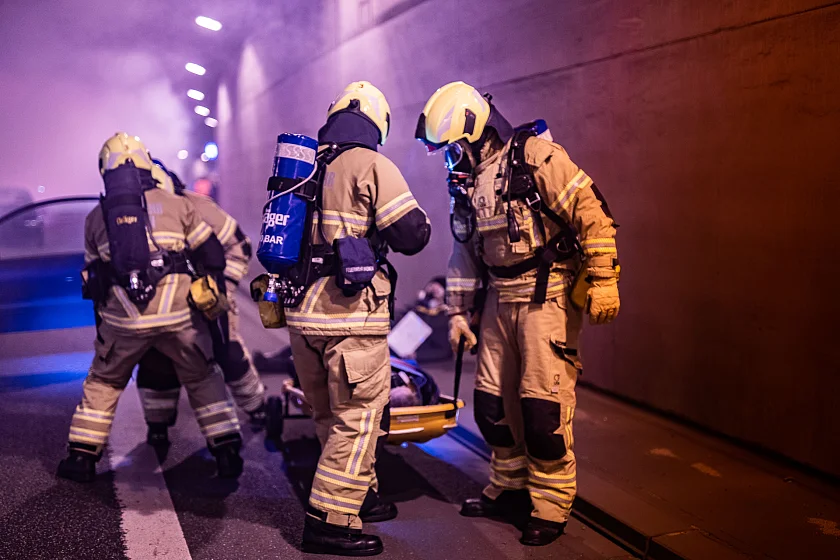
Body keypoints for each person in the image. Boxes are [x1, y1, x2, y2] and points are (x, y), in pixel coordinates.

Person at [416, 82, 621, 546]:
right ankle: (509, 488)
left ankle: (549, 505)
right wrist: (457, 313)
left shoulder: (536, 158)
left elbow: (592, 212)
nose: (451, 162)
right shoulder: (469, 182)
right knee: (491, 406)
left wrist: (605, 279)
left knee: (542, 410)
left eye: (453, 150)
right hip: (498, 303)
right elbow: (465, 250)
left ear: (476, 132)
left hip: (545, 299)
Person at [286, 81, 430, 556]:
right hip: (350, 317)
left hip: (302, 317)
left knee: (330, 414)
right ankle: (328, 521)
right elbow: (411, 234)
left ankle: (357, 499)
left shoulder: (304, 167)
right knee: (359, 419)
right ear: (377, 123)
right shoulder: (370, 164)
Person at [57, 133, 244, 482]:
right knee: (202, 376)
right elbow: (213, 255)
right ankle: (227, 450)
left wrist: (105, 331)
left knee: (104, 380)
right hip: (179, 316)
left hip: (123, 321)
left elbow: (93, 281)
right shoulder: (178, 205)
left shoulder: (96, 218)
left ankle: (82, 457)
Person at [135, 161, 266, 446]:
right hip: (164, 309)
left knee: (228, 354)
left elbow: (239, 245)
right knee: (157, 364)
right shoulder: (136, 214)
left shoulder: (198, 206)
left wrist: (223, 287)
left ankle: (257, 408)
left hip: (207, 304)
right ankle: (158, 427)